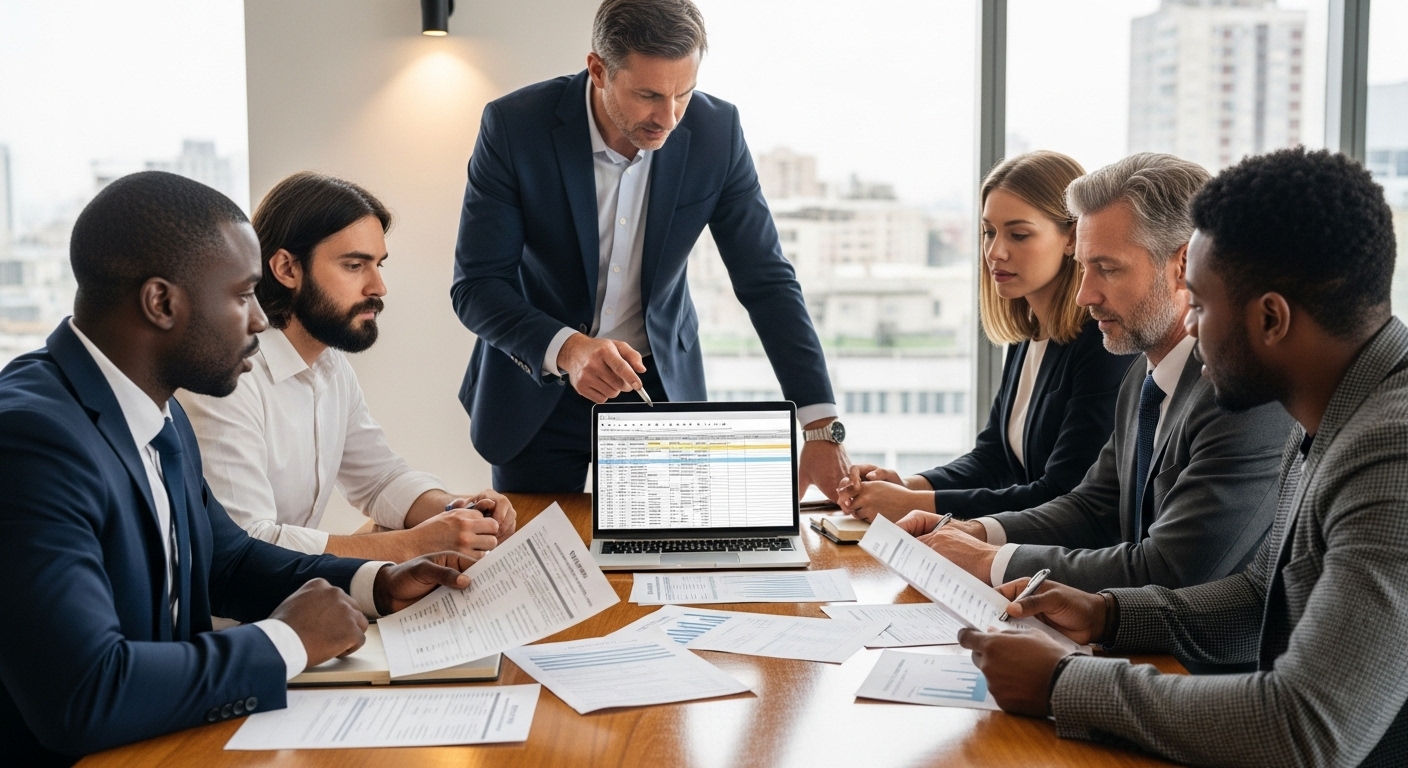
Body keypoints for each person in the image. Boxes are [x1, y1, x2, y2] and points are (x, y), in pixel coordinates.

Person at [0, 171, 474, 765]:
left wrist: (377, 582)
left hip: (168, 738)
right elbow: (86, 693)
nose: (258, 320)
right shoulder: (31, 439)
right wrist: (286, 641)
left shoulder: (155, 406)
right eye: (242, 295)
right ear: (161, 303)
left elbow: (227, 559)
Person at [960, 147, 1408, 767]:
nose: (1190, 329)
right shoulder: (1335, 413)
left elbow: (1309, 727)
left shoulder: (1391, 452)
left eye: (1198, 304)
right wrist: (1107, 614)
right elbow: (1258, 598)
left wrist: (1065, 683)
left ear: (1271, 318)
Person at [451, 0, 847, 497]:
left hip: (656, 385)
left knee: (669, 562)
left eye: (684, 93)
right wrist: (570, 351)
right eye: (649, 95)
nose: (670, 117)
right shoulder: (515, 127)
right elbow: (477, 286)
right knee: (541, 562)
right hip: (538, 387)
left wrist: (819, 422)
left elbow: (766, 280)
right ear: (598, 69)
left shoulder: (715, 133)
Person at [894, 153, 1293, 593]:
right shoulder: (1145, 376)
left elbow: (1170, 571)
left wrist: (991, 561)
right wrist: (980, 532)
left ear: (1184, 265)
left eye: (1106, 269)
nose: (1084, 294)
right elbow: (1092, 506)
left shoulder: (1241, 396)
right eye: (1084, 268)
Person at [179, 172, 515, 562]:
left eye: (379, 265)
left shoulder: (329, 364)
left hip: (302, 595)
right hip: (237, 619)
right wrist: (414, 544)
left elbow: (379, 479)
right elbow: (249, 543)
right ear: (287, 268)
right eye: (355, 265)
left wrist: (457, 510)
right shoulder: (228, 379)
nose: (378, 287)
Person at [836, 151, 1138, 522]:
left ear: (1072, 237)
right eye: (989, 232)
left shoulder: (1102, 345)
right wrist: (908, 486)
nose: (995, 252)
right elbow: (993, 457)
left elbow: (1061, 495)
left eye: (1019, 234)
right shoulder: (1028, 333)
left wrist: (913, 505)